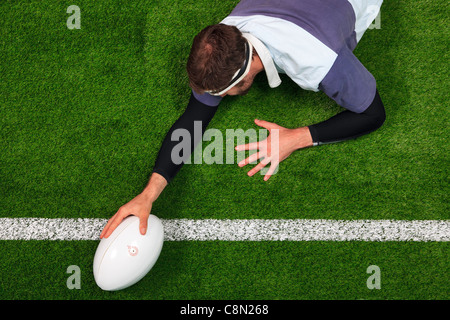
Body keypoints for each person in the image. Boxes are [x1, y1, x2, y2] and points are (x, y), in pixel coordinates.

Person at [100, 0, 386, 239]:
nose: (213, 101)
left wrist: (297, 138)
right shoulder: (230, 33)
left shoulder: (319, 60)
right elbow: (193, 121)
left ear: (245, 77)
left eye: (221, 94)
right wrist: (149, 193)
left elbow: (373, 113)